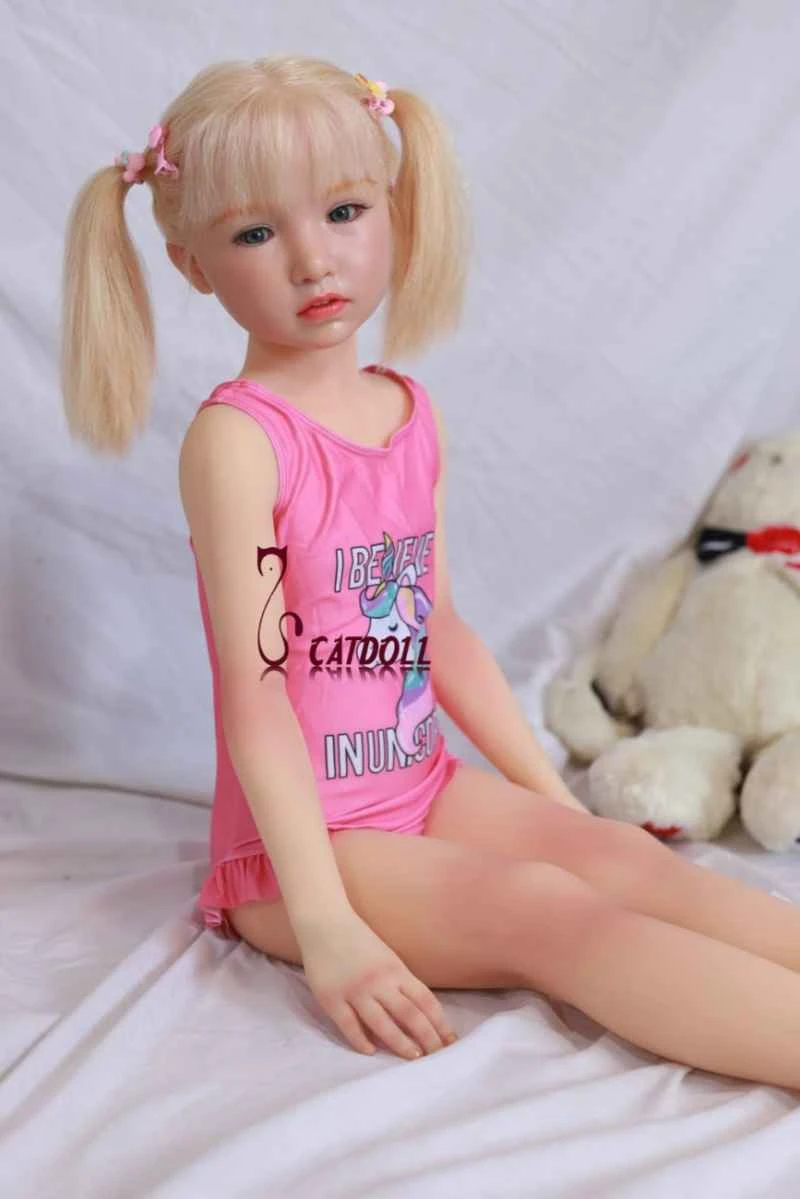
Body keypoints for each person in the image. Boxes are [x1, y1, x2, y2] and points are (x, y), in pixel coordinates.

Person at [60, 54, 800, 1089]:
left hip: (421, 785)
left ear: (395, 210)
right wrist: (326, 924)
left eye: (344, 211)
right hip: (300, 850)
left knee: (624, 859)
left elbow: (438, 630)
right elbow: (255, 697)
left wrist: (554, 801)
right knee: (552, 912)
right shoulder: (240, 443)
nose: (312, 260)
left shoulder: (408, 412)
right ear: (192, 264)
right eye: (256, 233)